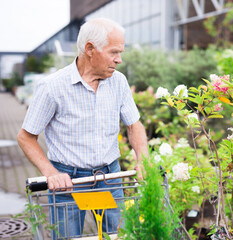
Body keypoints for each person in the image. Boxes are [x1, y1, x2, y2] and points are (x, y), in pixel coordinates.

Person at [17, 18, 148, 239]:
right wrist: (51, 173)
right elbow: (25, 137)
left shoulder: (119, 82)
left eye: (121, 52)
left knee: (118, 236)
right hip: (68, 182)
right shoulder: (52, 87)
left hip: (110, 177)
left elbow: (134, 125)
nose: (119, 60)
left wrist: (142, 159)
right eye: (114, 52)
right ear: (90, 49)